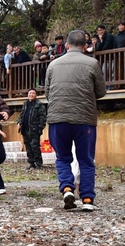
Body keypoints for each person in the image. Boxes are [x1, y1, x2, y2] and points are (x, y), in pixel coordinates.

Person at [45, 29, 107, 211]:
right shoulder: (92, 63)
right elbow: (101, 92)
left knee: (63, 157)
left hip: (58, 118)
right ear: (86, 46)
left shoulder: (53, 65)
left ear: (66, 45)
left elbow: (48, 93)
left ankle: (66, 188)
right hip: (84, 118)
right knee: (86, 159)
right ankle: (87, 198)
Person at [18, 88, 47, 170]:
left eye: (33, 93)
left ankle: (38, 163)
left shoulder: (39, 105)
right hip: (25, 129)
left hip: (34, 130)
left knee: (35, 146)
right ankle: (31, 162)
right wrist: (19, 122)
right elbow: (21, 115)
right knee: (28, 146)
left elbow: (43, 118)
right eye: (30, 93)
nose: (31, 95)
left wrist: (40, 128)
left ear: (36, 95)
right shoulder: (25, 104)